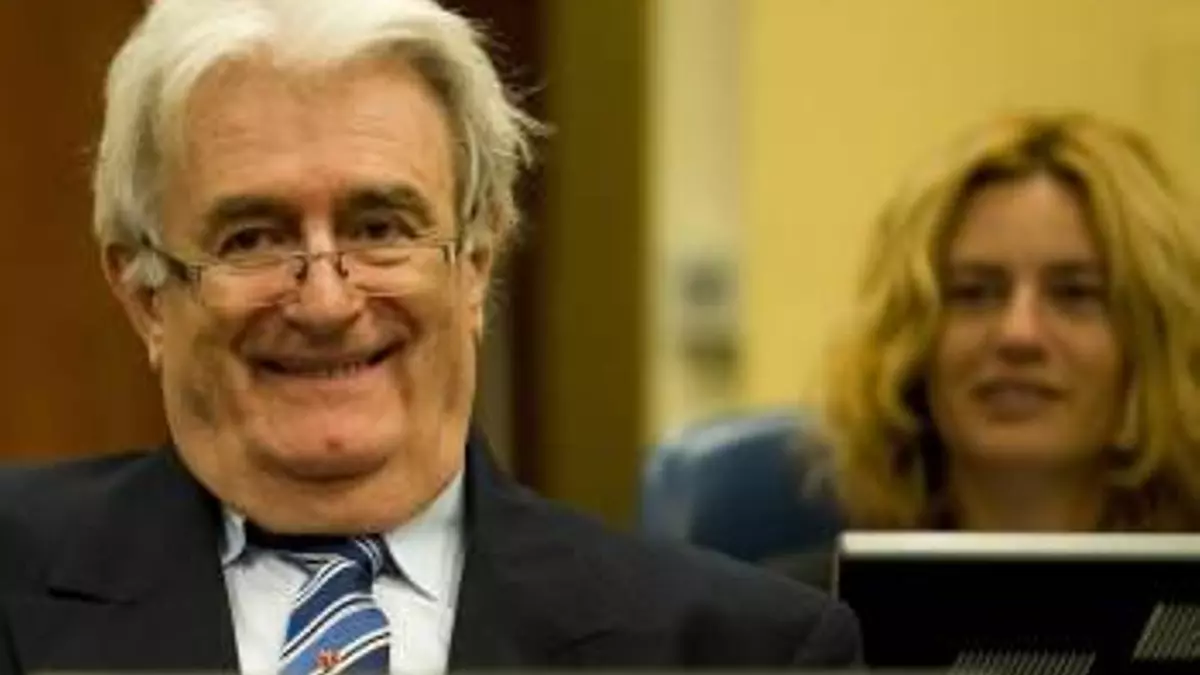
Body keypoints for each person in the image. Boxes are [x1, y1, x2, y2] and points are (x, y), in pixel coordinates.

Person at [0, 0, 861, 672]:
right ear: (145, 294)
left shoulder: (744, 650)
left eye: (380, 227)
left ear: (476, 264)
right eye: (253, 237)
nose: (327, 302)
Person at [819, 111, 1200, 532]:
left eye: (1075, 293)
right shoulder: (806, 576)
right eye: (973, 293)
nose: (1019, 334)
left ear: (1154, 338)